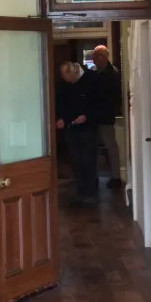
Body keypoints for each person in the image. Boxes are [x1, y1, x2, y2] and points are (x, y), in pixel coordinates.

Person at [56, 61, 99, 205]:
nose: (65, 79)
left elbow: (98, 103)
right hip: (71, 127)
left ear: (73, 72)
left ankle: (91, 194)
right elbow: (61, 102)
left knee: (88, 160)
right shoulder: (65, 84)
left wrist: (87, 116)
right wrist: (61, 118)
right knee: (76, 161)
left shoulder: (91, 80)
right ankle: (81, 192)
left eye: (66, 76)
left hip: (87, 128)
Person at [90, 45, 123, 188]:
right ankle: (93, 177)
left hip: (106, 116)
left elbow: (114, 97)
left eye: (95, 56)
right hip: (95, 117)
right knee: (94, 147)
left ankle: (116, 177)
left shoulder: (113, 74)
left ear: (103, 57)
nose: (92, 58)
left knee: (111, 146)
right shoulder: (95, 72)